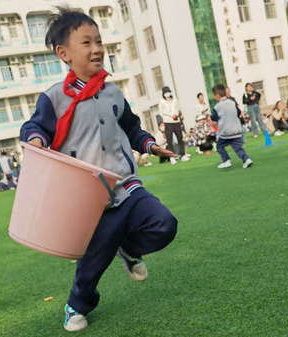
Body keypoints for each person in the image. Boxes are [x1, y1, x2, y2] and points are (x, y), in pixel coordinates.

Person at [19, 7, 178, 332]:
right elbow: (35, 127)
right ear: (64, 53)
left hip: (126, 185)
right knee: (92, 263)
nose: (96, 49)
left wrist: (150, 145)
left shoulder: (113, 92)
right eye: (86, 42)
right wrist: (35, 141)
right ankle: (76, 306)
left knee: (164, 224)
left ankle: (128, 247)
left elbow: (132, 128)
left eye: (99, 41)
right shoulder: (54, 98)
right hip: (89, 200)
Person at [211, 84, 253, 169]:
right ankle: (246, 159)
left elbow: (214, 117)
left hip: (226, 132)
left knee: (219, 146)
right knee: (237, 148)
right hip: (236, 130)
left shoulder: (217, 106)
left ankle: (226, 160)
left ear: (217, 95)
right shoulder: (232, 103)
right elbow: (238, 113)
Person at [159, 86, 190, 164]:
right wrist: (166, 117)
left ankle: (183, 154)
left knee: (180, 138)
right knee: (169, 140)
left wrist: (175, 115)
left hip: (176, 121)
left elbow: (177, 108)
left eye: (168, 92)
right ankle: (172, 157)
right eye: (166, 93)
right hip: (167, 122)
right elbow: (161, 112)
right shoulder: (162, 102)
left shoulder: (174, 100)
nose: (167, 94)